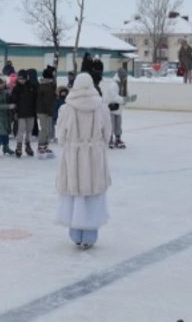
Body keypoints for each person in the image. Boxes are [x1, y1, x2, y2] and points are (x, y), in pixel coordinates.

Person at [55, 72, 112, 249]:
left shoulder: (67, 109)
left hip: (74, 157)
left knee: (75, 196)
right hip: (94, 156)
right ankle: (90, 236)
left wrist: (72, 144)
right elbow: (107, 134)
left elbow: (60, 136)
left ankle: (76, 234)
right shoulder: (101, 107)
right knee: (93, 197)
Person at [12, 69, 38, 158]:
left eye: (22, 79)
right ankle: (19, 146)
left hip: (31, 112)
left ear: (26, 78)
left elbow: (36, 99)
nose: (21, 81)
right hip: (21, 113)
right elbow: (13, 101)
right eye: (19, 79)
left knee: (29, 130)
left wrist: (36, 110)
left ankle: (28, 145)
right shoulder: (16, 88)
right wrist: (15, 112)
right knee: (21, 130)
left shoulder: (32, 87)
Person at [0, 75, 16, 157]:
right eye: (1, 84)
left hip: (5, 115)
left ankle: (6, 148)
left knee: (6, 132)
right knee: (0, 133)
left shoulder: (3, 91)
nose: (3, 85)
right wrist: (8, 106)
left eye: (4, 83)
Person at [37, 65, 58, 160]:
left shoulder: (50, 85)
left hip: (47, 110)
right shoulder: (45, 86)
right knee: (44, 129)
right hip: (43, 110)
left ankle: (45, 146)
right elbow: (47, 101)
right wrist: (50, 111)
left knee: (48, 129)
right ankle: (40, 147)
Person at [104, 75, 127, 149]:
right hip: (112, 108)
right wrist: (123, 100)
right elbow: (114, 97)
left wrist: (127, 99)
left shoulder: (123, 85)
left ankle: (118, 138)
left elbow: (125, 95)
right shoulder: (113, 85)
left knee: (118, 125)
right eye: (124, 77)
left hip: (119, 109)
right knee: (111, 125)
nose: (125, 79)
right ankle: (109, 139)